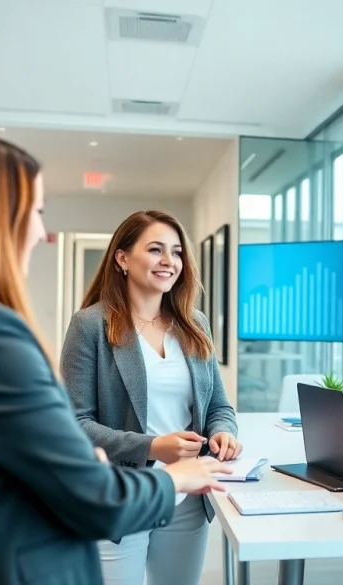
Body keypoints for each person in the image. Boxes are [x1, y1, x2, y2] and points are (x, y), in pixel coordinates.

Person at [0, 131, 230, 585]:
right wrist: (176, 477)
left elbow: (8, 457)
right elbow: (88, 489)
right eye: (35, 213)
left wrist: (74, 460)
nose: (41, 233)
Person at [60, 209, 239, 585]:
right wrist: (153, 447)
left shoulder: (194, 323)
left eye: (176, 252)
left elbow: (218, 405)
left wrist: (223, 431)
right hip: (121, 494)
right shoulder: (90, 326)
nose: (169, 261)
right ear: (122, 258)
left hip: (188, 495)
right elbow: (75, 425)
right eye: (156, 249)